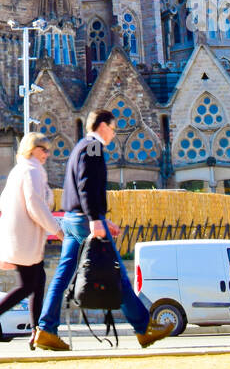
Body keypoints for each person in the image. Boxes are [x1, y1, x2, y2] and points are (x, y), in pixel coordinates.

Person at [34, 110, 174, 352]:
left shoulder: (80, 146)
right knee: (117, 273)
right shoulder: (94, 147)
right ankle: (144, 328)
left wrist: (99, 218)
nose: (113, 133)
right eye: (112, 127)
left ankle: (46, 329)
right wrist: (95, 219)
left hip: (72, 218)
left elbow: (80, 187)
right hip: (83, 221)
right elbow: (87, 185)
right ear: (102, 126)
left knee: (63, 276)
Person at [0, 133, 63, 346]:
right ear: (32, 149)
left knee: (37, 283)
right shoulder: (32, 170)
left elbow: (7, 201)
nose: (47, 154)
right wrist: (57, 230)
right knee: (27, 285)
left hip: (22, 235)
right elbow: (36, 205)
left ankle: (37, 331)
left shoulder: (20, 170)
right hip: (25, 237)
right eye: (44, 149)